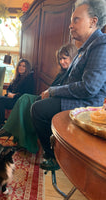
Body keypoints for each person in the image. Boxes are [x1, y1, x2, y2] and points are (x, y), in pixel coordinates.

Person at [30, 0, 106, 171]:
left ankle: (53, 156)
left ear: (93, 22)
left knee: (38, 109)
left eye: (76, 20)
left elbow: (89, 87)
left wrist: (53, 91)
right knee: (37, 101)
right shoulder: (85, 48)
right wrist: (51, 91)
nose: (70, 26)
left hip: (87, 103)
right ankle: (49, 146)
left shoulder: (101, 44)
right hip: (77, 97)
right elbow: (69, 80)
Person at [0, 44, 78, 154]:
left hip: (59, 102)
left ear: (73, 57)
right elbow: (53, 88)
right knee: (23, 100)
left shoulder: (74, 73)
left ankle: (9, 130)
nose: (61, 62)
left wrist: (50, 92)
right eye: (60, 59)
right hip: (47, 98)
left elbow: (66, 91)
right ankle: (16, 137)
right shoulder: (62, 73)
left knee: (25, 98)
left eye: (64, 58)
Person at [0, 58, 34, 130]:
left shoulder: (29, 79)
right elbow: (9, 89)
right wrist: (9, 93)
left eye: (23, 66)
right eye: (20, 65)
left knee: (0, 100)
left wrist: (14, 95)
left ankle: (1, 125)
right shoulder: (17, 77)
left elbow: (27, 95)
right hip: (11, 98)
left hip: (19, 101)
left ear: (27, 68)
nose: (21, 67)